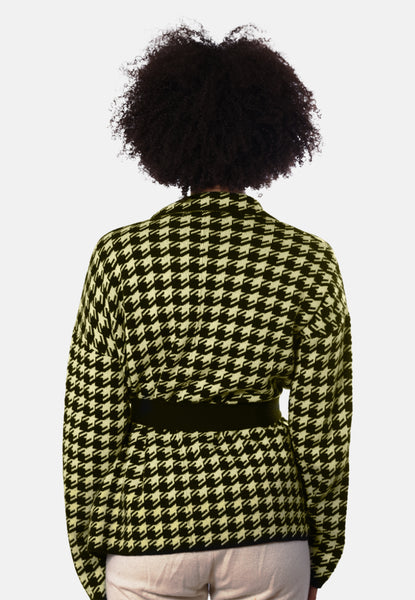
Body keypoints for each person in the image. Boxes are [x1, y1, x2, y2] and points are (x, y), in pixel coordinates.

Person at [62, 22, 353, 600]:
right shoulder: (308, 260)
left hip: (147, 523)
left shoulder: (120, 258)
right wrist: (318, 555)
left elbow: (90, 424)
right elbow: (325, 430)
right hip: (268, 522)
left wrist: (90, 554)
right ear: (271, 137)